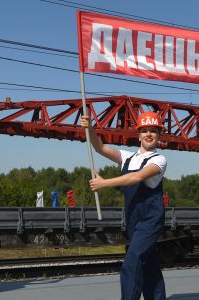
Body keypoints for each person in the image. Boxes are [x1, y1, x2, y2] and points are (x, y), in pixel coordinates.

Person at [81, 111, 167, 300]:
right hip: (133, 221)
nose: (149, 134)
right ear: (139, 135)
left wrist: (104, 183)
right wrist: (90, 129)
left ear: (159, 135)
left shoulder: (159, 160)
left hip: (150, 221)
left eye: (153, 130)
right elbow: (100, 148)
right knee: (148, 265)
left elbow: (137, 177)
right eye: (144, 130)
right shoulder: (127, 157)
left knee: (132, 262)